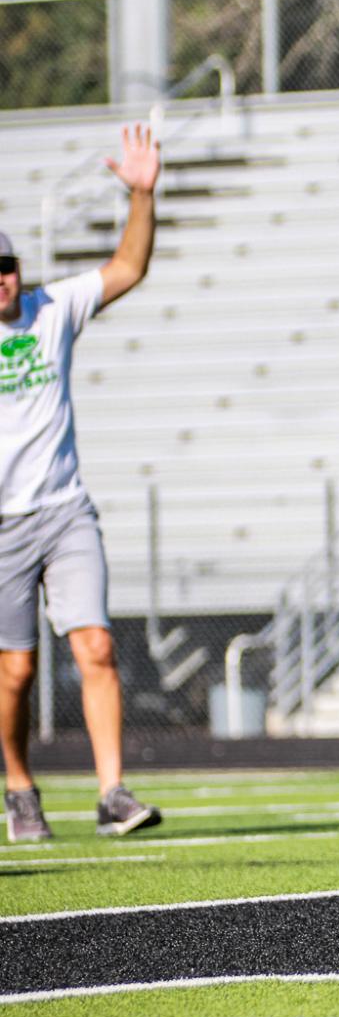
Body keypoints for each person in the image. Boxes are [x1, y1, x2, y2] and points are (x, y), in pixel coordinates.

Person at [0, 125, 165, 843]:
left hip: (65, 510)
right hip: (2, 523)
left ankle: (111, 792)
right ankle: (19, 785)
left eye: (5, 266)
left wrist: (141, 193)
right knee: (15, 671)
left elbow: (129, 265)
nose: (0, 279)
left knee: (95, 644)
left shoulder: (51, 308)